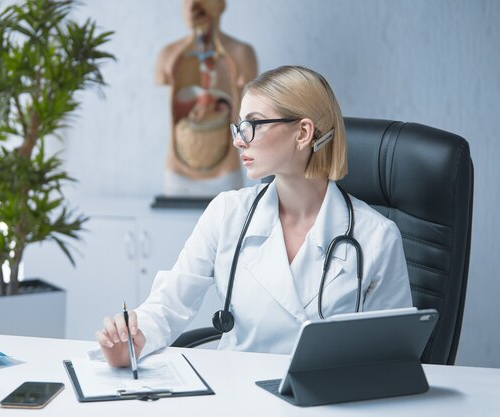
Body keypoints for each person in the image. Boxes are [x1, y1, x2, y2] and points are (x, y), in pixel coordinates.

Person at [97, 65, 412, 367]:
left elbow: (393, 357)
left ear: (303, 133)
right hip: (238, 396)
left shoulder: (376, 236)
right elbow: (168, 304)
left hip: (327, 402)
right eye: (238, 126)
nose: (237, 140)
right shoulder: (227, 213)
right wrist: (134, 339)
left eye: (253, 124)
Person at [156, 0, 258, 196]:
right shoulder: (167, 56)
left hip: (225, 174)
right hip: (179, 174)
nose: (194, 5)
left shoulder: (242, 54)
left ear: (221, 4)